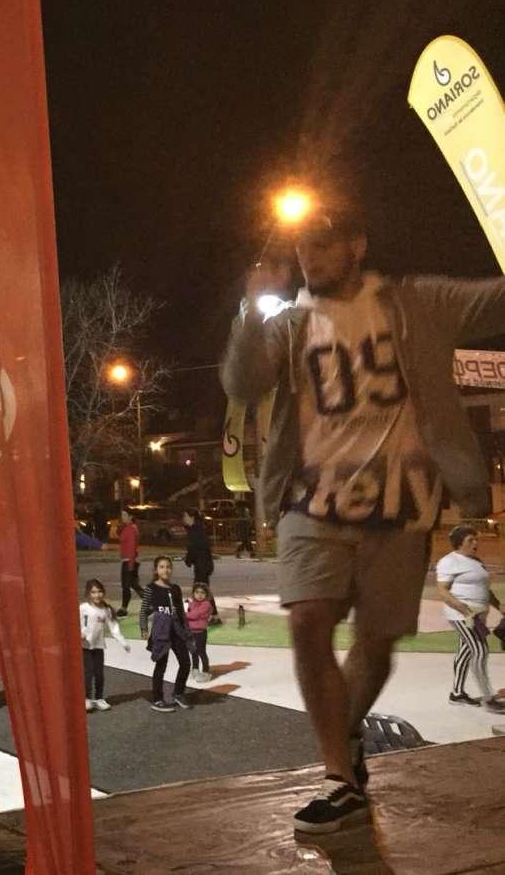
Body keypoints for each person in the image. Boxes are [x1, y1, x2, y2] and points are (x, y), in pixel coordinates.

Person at [221, 208, 505, 833]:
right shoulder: (290, 324)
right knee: (308, 621)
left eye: (324, 243)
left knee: (376, 643)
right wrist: (248, 310)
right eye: (303, 246)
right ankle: (339, 780)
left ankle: (343, 738)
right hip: (312, 502)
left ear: (357, 244)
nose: (310, 256)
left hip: (401, 506)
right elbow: (242, 381)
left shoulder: (416, 302)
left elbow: (496, 301)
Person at [435, 525, 504, 711]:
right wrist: (465, 612)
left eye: (476, 539)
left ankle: (457, 694)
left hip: (478, 614)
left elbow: (484, 589)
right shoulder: (449, 562)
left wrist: (498, 606)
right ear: (459, 543)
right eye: (470, 540)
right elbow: (443, 591)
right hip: (462, 614)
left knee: (465, 651)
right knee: (480, 650)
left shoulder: (475, 561)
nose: (475, 543)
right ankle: (488, 699)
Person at [139, 555, 192, 714]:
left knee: (185, 663)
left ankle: (178, 693)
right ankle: (157, 699)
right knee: (161, 666)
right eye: (162, 567)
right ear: (156, 570)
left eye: (168, 567)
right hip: (161, 633)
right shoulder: (151, 589)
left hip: (176, 632)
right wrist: (144, 628)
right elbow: (144, 611)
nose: (166, 570)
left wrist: (186, 631)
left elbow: (181, 612)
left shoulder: (175, 589)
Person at [80, 578, 129, 711]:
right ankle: (86, 698)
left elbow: (114, 627)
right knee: (88, 674)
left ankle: (99, 698)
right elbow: (77, 623)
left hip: (99, 647)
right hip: (85, 647)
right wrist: (80, 633)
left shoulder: (106, 610)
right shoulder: (83, 608)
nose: (97, 595)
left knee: (99, 674)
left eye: (99, 591)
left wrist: (123, 642)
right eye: (93, 592)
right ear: (88, 594)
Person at [115, 509, 144, 619]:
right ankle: (150, 604)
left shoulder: (131, 529)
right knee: (134, 585)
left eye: (124, 515)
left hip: (129, 560)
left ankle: (124, 608)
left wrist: (131, 565)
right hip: (129, 560)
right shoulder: (128, 527)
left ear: (131, 516)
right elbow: (119, 534)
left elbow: (132, 547)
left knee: (126, 586)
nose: (122, 517)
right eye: (121, 515)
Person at [186, 583, 214, 683]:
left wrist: (184, 614)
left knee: (201, 652)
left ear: (206, 594)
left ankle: (206, 672)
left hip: (200, 633)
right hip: (191, 632)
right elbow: (189, 614)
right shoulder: (192, 603)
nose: (199, 595)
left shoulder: (206, 604)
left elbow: (194, 615)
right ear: (193, 593)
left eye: (202, 593)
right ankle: (195, 669)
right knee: (193, 651)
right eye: (197, 592)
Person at [182, 510, 214, 587]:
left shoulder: (196, 530)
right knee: (202, 588)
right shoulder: (196, 528)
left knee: (201, 588)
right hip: (202, 565)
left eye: (185, 516)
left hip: (202, 565)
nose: (183, 519)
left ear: (192, 518)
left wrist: (188, 560)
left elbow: (194, 547)